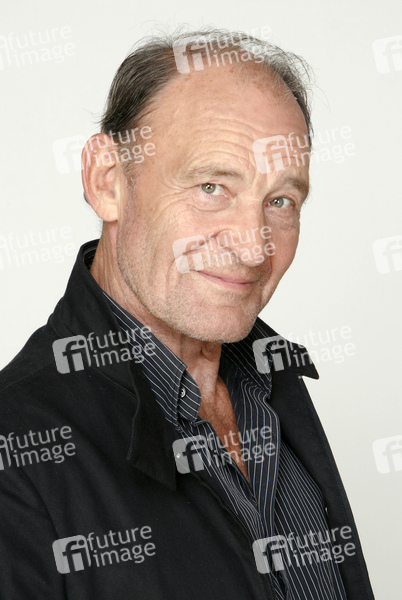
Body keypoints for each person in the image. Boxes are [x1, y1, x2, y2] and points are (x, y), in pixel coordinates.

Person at [0, 29, 375, 599]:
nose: (252, 248)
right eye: (211, 186)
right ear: (107, 182)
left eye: (280, 201)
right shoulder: (17, 452)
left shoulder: (272, 391)